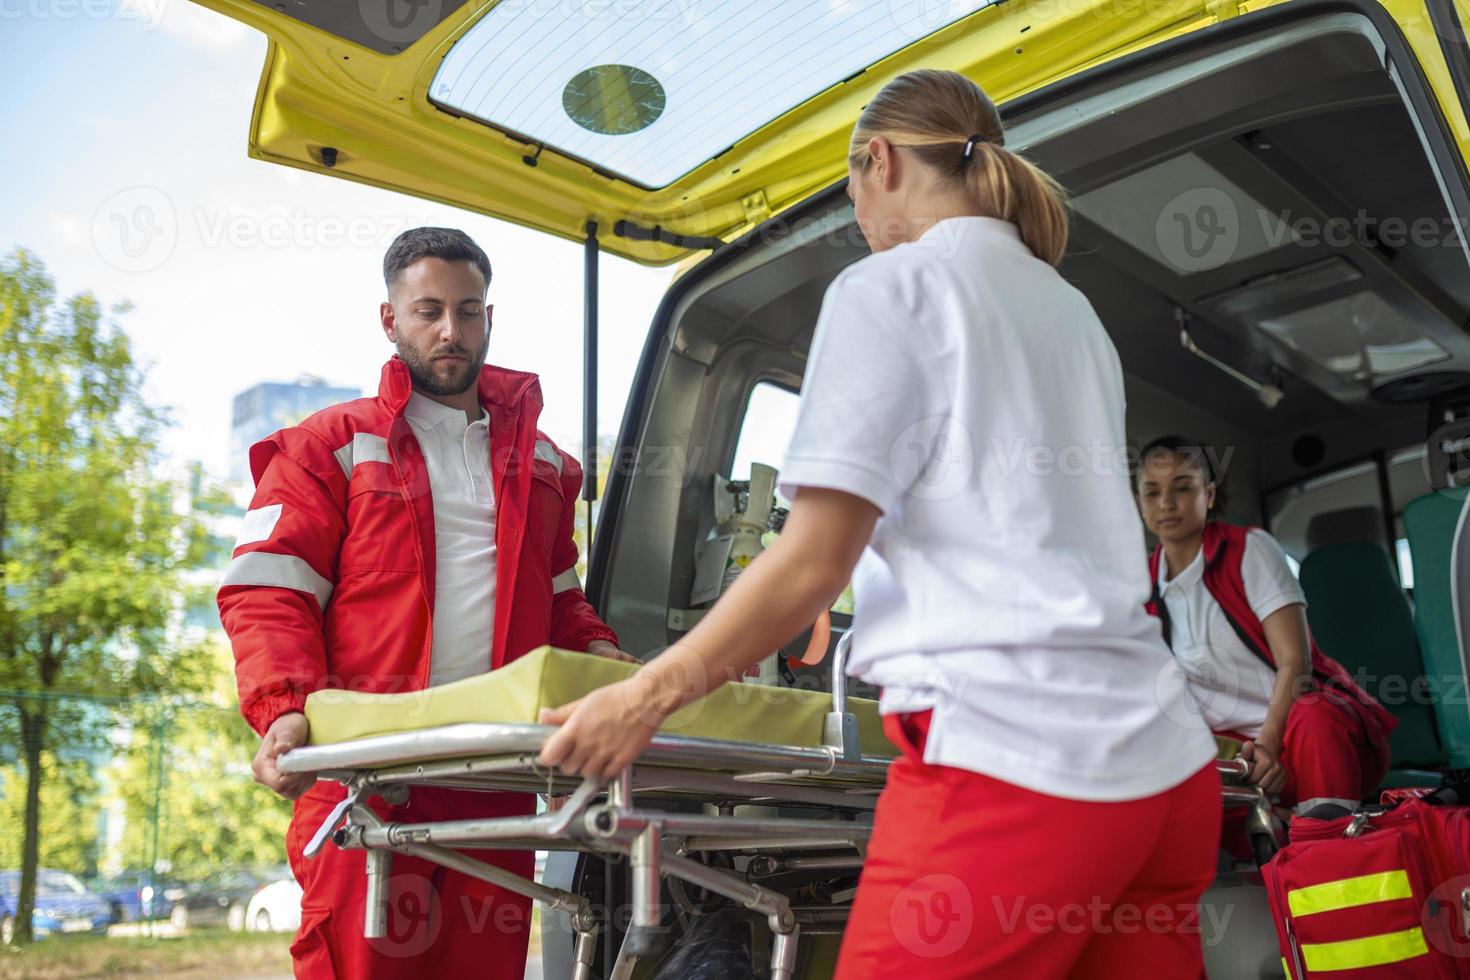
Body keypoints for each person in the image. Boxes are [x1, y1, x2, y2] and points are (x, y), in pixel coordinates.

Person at [536, 69, 1222, 977]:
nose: (856, 210)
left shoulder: (891, 287)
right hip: (1166, 776)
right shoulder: (1071, 309)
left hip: (1016, 763)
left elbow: (815, 560)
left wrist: (644, 695)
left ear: (880, 159)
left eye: (853, 185)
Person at [218, 227, 632, 979]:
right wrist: (282, 707)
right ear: (391, 320)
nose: (452, 331)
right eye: (429, 310)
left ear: (489, 317)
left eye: (469, 311)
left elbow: (560, 598)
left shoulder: (547, 466)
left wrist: (601, 653)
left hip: (499, 780)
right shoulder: (327, 445)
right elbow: (268, 591)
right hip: (371, 779)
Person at [1135, 435, 1395, 814]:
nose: (1166, 503)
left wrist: (1270, 744)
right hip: (1233, 751)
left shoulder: (1249, 550)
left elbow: (1295, 660)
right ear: (1140, 504)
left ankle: (1331, 846)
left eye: (1183, 487)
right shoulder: (1141, 585)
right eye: (1151, 492)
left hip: (1301, 732)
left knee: (1314, 713)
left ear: (1208, 495)